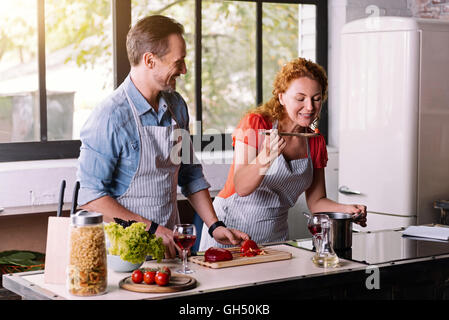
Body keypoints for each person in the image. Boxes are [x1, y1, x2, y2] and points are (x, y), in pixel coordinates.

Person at [77, 15, 248, 258]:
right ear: (149, 60)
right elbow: (91, 198)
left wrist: (214, 225)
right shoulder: (110, 116)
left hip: (170, 249)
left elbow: (190, 175)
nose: (185, 70)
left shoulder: (177, 106)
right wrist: (152, 229)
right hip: (121, 256)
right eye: (178, 62)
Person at [199, 57, 367, 250]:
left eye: (317, 98)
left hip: (275, 237)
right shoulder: (257, 124)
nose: (310, 107)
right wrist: (266, 157)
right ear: (281, 97)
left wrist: (348, 210)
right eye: (300, 98)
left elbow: (316, 202)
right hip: (229, 232)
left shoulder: (315, 141)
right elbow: (242, 186)